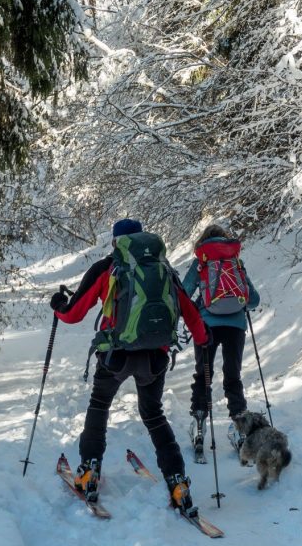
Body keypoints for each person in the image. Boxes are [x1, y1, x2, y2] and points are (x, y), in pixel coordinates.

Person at [49, 218, 209, 514]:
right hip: (155, 358)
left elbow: (73, 314)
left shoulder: (107, 268)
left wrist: (58, 305)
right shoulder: (165, 271)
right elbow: (193, 317)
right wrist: (203, 343)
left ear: (116, 242)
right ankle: (177, 482)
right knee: (153, 415)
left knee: (99, 406)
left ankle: (89, 471)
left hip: (116, 356)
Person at [182, 223, 260, 447]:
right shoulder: (236, 262)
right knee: (232, 375)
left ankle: (198, 424)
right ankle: (240, 428)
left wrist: (198, 307)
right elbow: (253, 300)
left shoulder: (201, 263)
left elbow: (185, 293)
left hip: (207, 326)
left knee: (203, 374)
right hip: (236, 326)